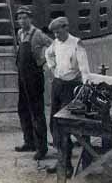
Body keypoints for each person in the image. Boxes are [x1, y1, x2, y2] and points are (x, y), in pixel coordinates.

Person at [45, 16, 91, 177]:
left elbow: (85, 69)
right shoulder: (56, 42)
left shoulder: (77, 44)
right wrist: (52, 68)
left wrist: (85, 87)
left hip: (71, 87)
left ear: (66, 28)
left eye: (58, 32)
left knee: (68, 125)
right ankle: (62, 161)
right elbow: (48, 53)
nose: (56, 35)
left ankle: (74, 164)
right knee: (54, 124)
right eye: (54, 33)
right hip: (57, 85)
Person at [13, 5, 52, 160]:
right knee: (23, 109)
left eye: (25, 18)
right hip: (22, 77)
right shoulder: (20, 33)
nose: (22, 21)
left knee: (37, 112)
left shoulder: (38, 34)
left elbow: (52, 45)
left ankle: (42, 148)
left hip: (34, 78)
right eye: (19, 18)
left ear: (31, 18)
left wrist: (43, 61)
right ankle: (29, 142)